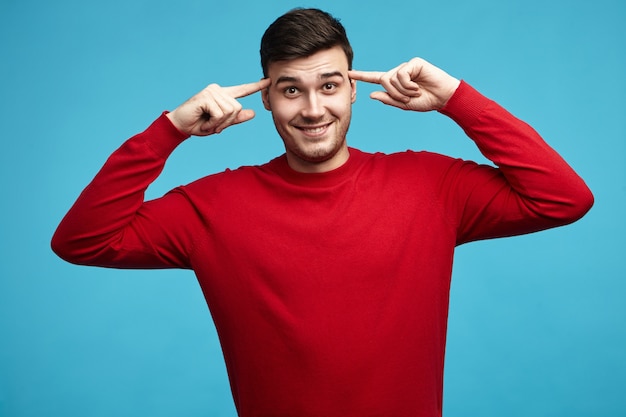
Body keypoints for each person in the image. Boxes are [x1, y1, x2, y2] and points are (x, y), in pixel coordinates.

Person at [51, 7, 593, 417]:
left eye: (329, 86)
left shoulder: (431, 185)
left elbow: (564, 198)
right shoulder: (210, 207)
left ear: (353, 90)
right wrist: (168, 130)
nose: (313, 109)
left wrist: (455, 97)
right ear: (266, 98)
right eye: (291, 89)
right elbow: (82, 241)